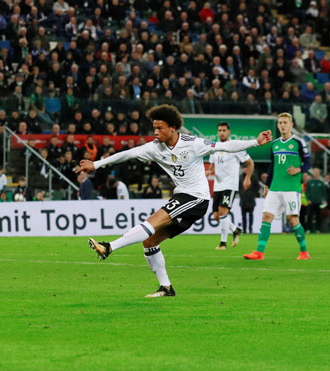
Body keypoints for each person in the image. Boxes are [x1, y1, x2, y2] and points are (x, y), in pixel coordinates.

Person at [76, 104, 272, 297]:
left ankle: (109, 247)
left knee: (153, 221)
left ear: (172, 128)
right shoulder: (154, 148)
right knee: (150, 241)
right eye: (154, 128)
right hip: (183, 196)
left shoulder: (193, 143)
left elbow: (224, 146)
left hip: (196, 198)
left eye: (160, 127)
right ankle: (166, 288)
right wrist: (97, 164)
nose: (156, 132)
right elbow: (128, 154)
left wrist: (255, 142)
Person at [243, 113, 311, 260]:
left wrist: (298, 170)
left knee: (293, 220)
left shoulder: (298, 143)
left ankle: (304, 252)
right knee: (266, 216)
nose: (282, 125)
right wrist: (267, 186)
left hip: (291, 188)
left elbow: (308, 163)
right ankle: (259, 252)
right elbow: (272, 167)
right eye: (280, 122)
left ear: (291, 125)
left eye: (285, 122)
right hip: (275, 187)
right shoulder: (274, 144)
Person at [207, 122, 253, 250]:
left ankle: (223, 243)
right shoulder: (214, 147)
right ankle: (235, 229)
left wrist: (247, 178)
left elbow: (250, 163)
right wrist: (209, 171)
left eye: (224, 130)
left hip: (230, 185)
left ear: (229, 132)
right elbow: (212, 164)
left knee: (222, 212)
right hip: (218, 185)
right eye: (219, 130)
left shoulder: (235, 146)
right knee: (216, 216)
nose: (221, 132)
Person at [305, 168, 327, 233]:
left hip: (319, 202)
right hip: (311, 202)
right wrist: (308, 199)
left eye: (317, 172)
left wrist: (324, 200)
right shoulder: (309, 182)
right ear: (313, 173)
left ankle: (318, 230)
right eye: (315, 172)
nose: (316, 173)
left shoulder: (321, 183)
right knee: (309, 216)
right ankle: (308, 229)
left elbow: (324, 193)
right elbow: (307, 192)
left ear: (319, 173)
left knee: (319, 216)